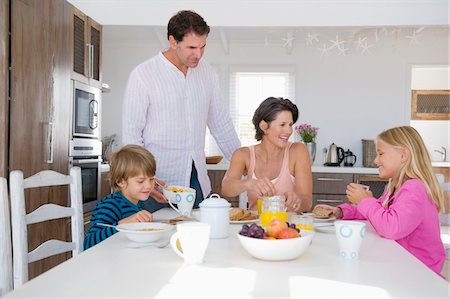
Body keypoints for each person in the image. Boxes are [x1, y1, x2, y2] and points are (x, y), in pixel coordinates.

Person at [122, 10, 240, 213]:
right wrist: (144, 180)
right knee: (155, 240)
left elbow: (221, 124)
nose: (199, 54)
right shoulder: (143, 75)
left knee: (198, 238)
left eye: (203, 46)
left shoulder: (207, 73)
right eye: (192, 47)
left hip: (196, 181)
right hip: (156, 182)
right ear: (172, 41)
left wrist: (246, 163)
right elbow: (132, 134)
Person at [316, 126, 445, 275]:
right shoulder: (395, 186)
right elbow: (377, 211)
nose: (376, 161)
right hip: (401, 262)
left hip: (419, 272)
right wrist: (341, 210)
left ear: (403, 156)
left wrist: (365, 200)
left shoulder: (414, 189)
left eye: (381, 154)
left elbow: (391, 227)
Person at [221, 97, 313, 213]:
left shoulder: (298, 151)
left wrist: (297, 202)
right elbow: (226, 187)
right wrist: (249, 184)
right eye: (282, 124)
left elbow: (307, 201)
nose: (289, 131)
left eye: (290, 125)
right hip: (254, 227)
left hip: (287, 226)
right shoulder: (243, 154)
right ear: (264, 126)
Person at [84, 145, 157, 250]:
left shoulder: (138, 203)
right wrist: (122, 224)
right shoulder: (110, 205)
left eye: (151, 179)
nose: (148, 186)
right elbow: (89, 244)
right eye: (140, 181)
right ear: (120, 182)